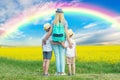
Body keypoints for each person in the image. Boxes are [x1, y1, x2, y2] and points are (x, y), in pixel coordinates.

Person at [42, 8, 72, 75]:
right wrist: (69, 42)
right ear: (62, 14)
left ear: (56, 14)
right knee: (62, 56)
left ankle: (58, 72)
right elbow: (66, 33)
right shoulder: (65, 22)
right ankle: (62, 72)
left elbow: (50, 33)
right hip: (62, 41)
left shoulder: (53, 22)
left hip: (54, 40)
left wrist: (44, 39)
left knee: (57, 56)